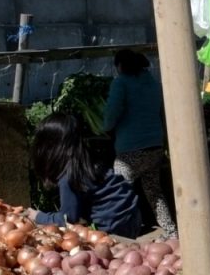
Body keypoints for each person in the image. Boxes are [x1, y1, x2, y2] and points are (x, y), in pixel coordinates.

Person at [28, 112, 141, 239]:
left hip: (112, 228)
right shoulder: (86, 160)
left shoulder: (69, 176)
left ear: (48, 148)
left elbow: (68, 219)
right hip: (131, 218)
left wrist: (38, 216)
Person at [103, 50, 178, 239]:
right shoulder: (153, 83)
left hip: (130, 149)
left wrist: (105, 127)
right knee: (154, 191)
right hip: (155, 145)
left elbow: (112, 112)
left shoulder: (121, 83)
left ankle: (123, 233)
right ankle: (171, 231)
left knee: (121, 191)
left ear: (121, 66)